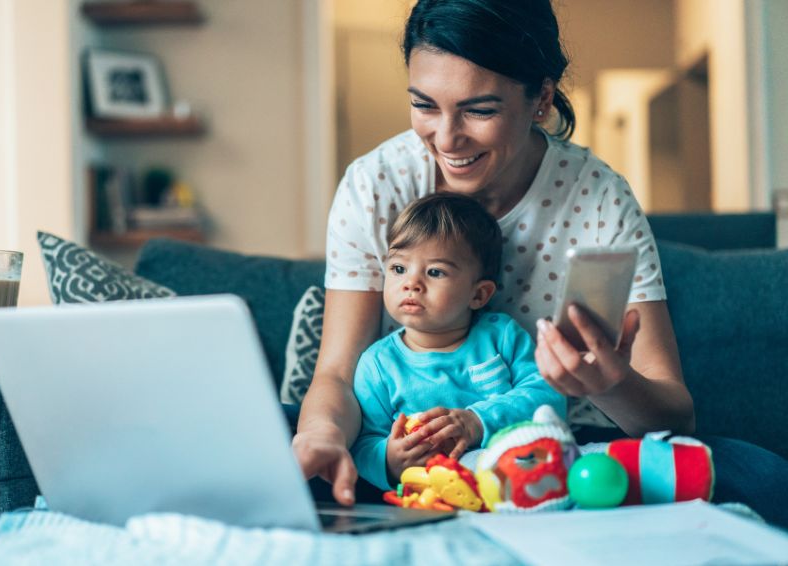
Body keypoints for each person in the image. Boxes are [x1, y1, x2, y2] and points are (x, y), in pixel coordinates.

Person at [292, 0, 788, 527]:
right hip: (405, 454)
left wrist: (608, 383)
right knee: (276, 438)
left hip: (561, 445)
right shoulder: (375, 185)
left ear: (541, 99)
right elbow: (338, 374)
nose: (446, 137)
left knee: (757, 474)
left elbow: (675, 415)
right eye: (425, 105)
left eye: (479, 110)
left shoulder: (597, 198)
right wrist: (322, 438)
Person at [350, 193, 565, 490]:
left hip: (522, 468)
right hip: (434, 489)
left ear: (479, 295)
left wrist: (477, 421)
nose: (410, 283)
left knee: (600, 457)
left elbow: (549, 397)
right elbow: (363, 442)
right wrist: (388, 459)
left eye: (435, 272)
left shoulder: (501, 336)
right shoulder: (377, 365)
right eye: (398, 269)